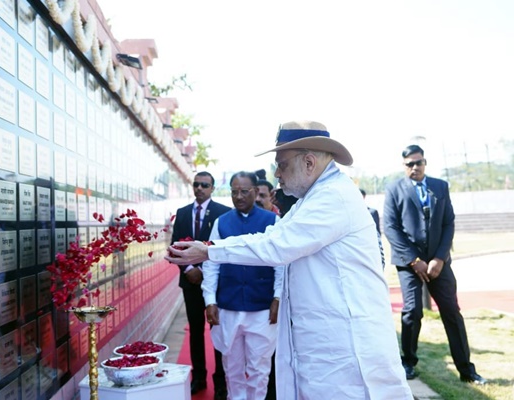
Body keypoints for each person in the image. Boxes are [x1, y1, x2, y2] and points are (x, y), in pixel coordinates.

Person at [166, 120, 413, 399]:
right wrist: (209, 248)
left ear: (309, 162)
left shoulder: (333, 196)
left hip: (345, 349)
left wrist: (209, 251)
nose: (276, 174)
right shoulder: (313, 197)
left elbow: (276, 246)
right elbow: (272, 235)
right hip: (325, 346)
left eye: (282, 164)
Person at [383, 144, 486, 385]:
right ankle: (408, 363)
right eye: (410, 164)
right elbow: (391, 228)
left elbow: (448, 223)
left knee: (451, 312)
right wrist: (414, 260)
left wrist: (439, 258)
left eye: (418, 162)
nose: (415, 167)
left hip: (439, 263)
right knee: (412, 312)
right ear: (404, 166)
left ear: (425, 163)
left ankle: (466, 370)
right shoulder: (394, 189)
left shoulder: (440, 187)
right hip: (409, 264)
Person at [202, 171, 282, 400]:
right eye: (234, 192)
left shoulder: (272, 222)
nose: (239, 196)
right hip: (228, 306)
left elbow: (281, 264)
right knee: (232, 366)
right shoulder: (222, 222)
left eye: (244, 191)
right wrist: (210, 301)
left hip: (262, 309)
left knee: (259, 368)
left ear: (256, 192)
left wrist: (277, 297)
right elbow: (211, 263)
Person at [170, 171, 231, 397]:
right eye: (196, 184)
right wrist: (188, 269)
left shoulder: (223, 213)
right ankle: (199, 378)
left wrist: (204, 271)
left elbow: (224, 248)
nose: (199, 188)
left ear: (212, 188)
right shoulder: (183, 213)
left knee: (217, 331)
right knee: (195, 330)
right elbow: (174, 245)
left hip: (215, 284)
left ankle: (221, 381)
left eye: (204, 185)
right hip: (190, 282)